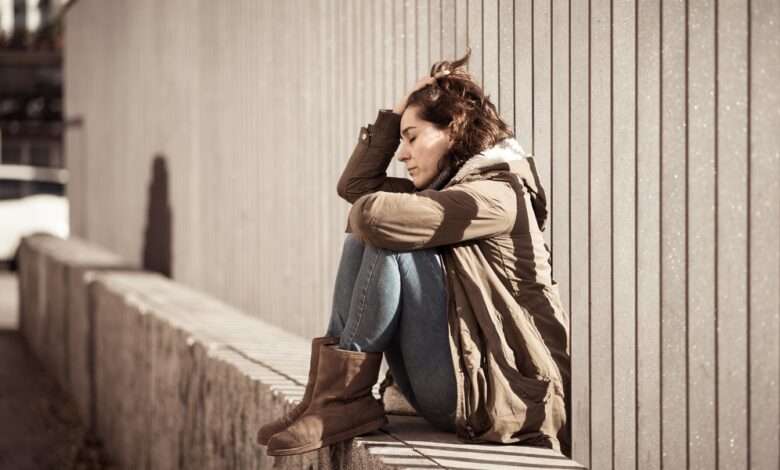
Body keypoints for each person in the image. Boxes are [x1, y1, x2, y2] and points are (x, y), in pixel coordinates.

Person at [256, 47, 571, 458]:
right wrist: (397, 112)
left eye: (412, 138)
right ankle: (326, 399)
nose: (403, 154)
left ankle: (343, 400)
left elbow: (370, 212)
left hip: (502, 393)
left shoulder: (496, 196)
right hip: (457, 379)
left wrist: (372, 216)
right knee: (375, 232)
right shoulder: (449, 190)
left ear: (454, 130)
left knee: (388, 234)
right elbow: (355, 187)